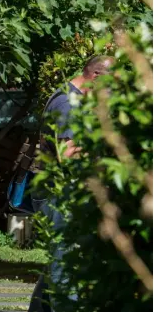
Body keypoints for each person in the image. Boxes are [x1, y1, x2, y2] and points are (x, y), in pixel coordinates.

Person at [28, 55, 116, 312]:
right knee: (65, 264)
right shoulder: (68, 104)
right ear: (96, 77)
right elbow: (68, 156)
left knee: (59, 263)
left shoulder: (69, 98)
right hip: (58, 193)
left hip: (56, 191)